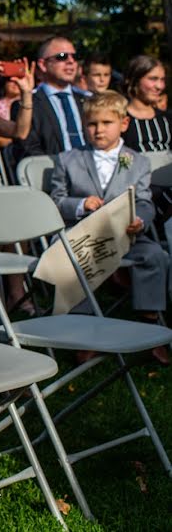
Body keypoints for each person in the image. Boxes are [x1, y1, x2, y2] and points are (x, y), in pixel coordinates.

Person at [49, 91, 169, 364]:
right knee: (75, 258)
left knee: (155, 256)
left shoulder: (138, 161)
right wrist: (80, 205)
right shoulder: (68, 159)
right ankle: (84, 330)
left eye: (106, 123)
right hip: (85, 237)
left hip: (126, 238)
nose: (98, 130)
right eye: (92, 124)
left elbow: (145, 202)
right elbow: (56, 201)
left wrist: (140, 220)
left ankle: (150, 325)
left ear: (123, 124)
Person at [14, 36, 88, 158]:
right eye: (62, 56)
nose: (71, 61)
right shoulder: (25, 106)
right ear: (43, 65)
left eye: (74, 57)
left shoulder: (88, 101)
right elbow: (29, 149)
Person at [122, 55, 171, 153]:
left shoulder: (167, 119)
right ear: (135, 80)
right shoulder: (120, 119)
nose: (159, 86)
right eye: (153, 79)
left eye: (162, 80)